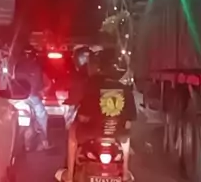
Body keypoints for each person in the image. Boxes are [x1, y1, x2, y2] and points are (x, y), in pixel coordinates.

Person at [61, 48, 136, 182]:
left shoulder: (90, 85)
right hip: (118, 133)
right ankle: (125, 173)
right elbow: (130, 119)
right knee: (126, 138)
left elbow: (82, 115)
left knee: (72, 132)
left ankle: (70, 175)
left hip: (91, 131)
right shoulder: (124, 88)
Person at [14, 47, 52, 151]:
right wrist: (41, 92)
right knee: (42, 116)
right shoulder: (36, 67)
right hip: (31, 97)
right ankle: (44, 141)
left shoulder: (17, 66)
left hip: (16, 98)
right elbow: (42, 85)